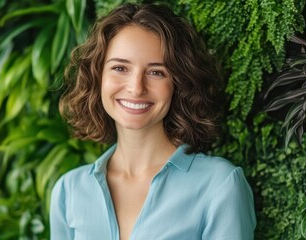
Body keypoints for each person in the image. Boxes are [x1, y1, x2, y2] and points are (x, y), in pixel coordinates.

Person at [51, 3, 256, 239]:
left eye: (156, 72)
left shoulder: (220, 185)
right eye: (120, 68)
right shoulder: (69, 191)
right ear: (98, 76)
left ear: (178, 84)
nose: (136, 88)